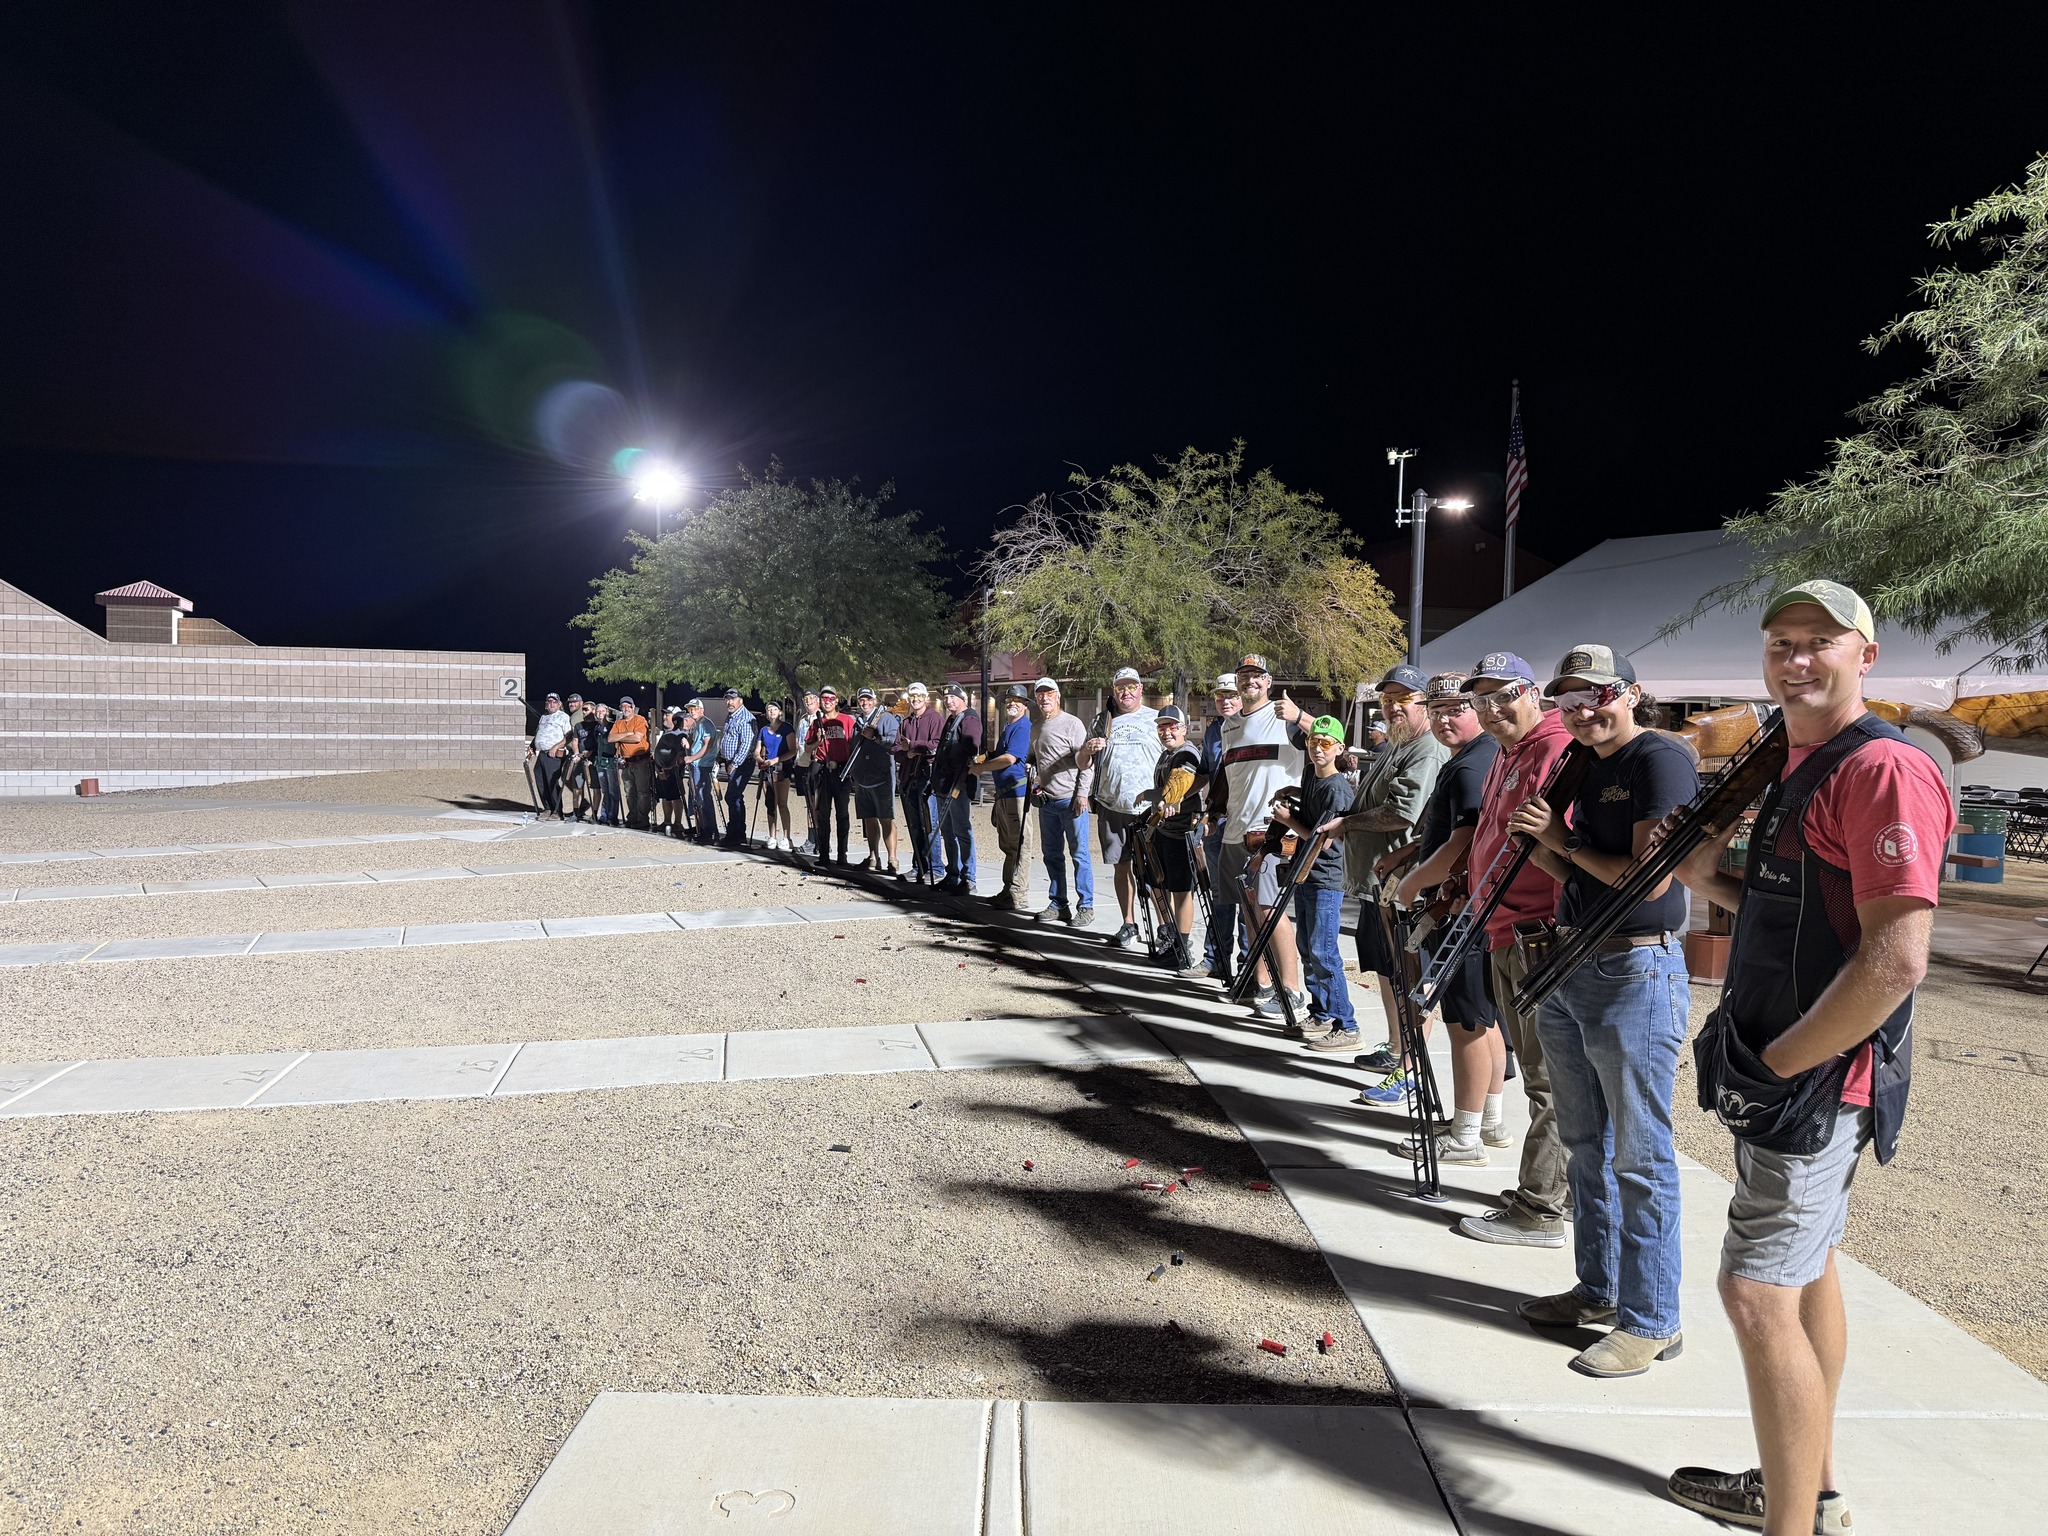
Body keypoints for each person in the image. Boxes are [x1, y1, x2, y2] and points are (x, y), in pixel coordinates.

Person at [1663, 583, 1948, 1536]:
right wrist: (1711, 877)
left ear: (1865, 656)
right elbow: (1812, 920)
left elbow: (1895, 959)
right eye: (1781, 642)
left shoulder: (1882, 770)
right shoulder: (1801, 762)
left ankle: (1793, 1526)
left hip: (1817, 1079)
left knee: (1755, 1293)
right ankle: (1807, 1491)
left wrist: (1780, 1063)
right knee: (1810, 1267)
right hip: (1783, 1066)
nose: (1796, 659)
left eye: (1821, 642)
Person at [1506, 644, 1700, 1379]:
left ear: (1631, 692)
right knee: (1586, 1142)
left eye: (1596, 693)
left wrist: (1560, 839)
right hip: (1571, 959)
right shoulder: (1584, 767)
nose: (1582, 709)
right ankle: (1599, 1291)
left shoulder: (1661, 759)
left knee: (1639, 1154)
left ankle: (1652, 1320)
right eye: (1569, 699)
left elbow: (1648, 883)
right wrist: (1544, 845)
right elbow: (1577, 864)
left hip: (1634, 966)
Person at [1455, 651, 1573, 1248]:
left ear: (1533, 693)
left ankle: (1540, 1208)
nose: (1493, 709)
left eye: (1505, 695)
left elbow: (1557, 844)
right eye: (1482, 700)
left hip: (1536, 933)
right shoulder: (1512, 751)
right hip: (1504, 927)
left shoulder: (1552, 749)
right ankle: (1563, 1190)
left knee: (1549, 1079)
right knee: (1544, 1074)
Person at [1392, 673, 1508, 1163]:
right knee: (1485, 1018)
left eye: (1457, 708)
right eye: (1436, 710)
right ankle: (1492, 1119)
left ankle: (1466, 1133)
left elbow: (1460, 845)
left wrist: (1411, 884)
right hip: (1475, 906)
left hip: (1462, 907)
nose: (1444, 719)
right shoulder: (1480, 758)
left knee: (1466, 1023)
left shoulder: (1470, 765)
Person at [1319, 664, 1448, 1066]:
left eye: (1403, 700)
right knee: (1386, 970)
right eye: (1387, 700)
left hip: (1400, 882)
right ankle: (1396, 1048)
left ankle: (1411, 1061)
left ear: (1424, 703)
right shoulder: (1398, 741)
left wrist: (1347, 822)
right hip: (1374, 882)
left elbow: (1403, 813)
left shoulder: (1426, 749)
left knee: (1408, 974)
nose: (1393, 708)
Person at [1217, 653, 1306, 1018]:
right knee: (1250, 911)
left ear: (1268, 680)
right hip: (1236, 830)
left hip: (1271, 830)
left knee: (1271, 910)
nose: (1250, 681)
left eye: (1257, 675)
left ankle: (1293, 989)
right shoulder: (1227, 725)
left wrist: (1301, 716)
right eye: (1244, 675)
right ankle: (1262, 983)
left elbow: (1333, 739)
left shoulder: (1284, 716)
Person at [1271, 716, 1358, 1045]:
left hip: (1326, 877)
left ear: (1338, 748)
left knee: (1323, 950)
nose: (1317, 749)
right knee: (1308, 947)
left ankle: (1346, 1024)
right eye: (1313, 742)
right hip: (1306, 873)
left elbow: (1325, 841)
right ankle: (1321, 1015)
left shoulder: (1338, 790)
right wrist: (1293, 792)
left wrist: (1288, 820)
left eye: (1325, 744)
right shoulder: (1310, 775)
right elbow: (1310, 801)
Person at [1078, 666, 1161, 950]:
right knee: (1121, 867)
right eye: (1121, 688)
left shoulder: (1156, 719)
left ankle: (1166, 929)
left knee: (1155, 872)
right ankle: (1129, 923)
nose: (1126, 692)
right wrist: (1088, 750)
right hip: (1112, 805)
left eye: (1131, 687)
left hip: (1149, 809)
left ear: (1140, 689)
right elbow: (1081, 762)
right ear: (1114, 691)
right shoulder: (1102, 721)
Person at [1137, 705, 1208, 975]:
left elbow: (1183, 781)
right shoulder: (1167, 755)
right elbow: (1167, 790)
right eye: (1162, 727)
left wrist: (1165, 798)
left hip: (1181, 832)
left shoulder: (1186, 753)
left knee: (1181, 890)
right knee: (1157, 882)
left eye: (1172, 726)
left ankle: (1182, 946)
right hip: (1163, 831)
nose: (1167, 731)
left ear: (1184, 728)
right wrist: (1150, 796)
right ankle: (1170, 937)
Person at [1028, 677, 1095, 926]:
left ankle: (1086, 906)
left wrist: (1082, 794)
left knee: (1080, 855)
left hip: (1071, 801)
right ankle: (1059, 904)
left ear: (1058, 696)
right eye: (1040, 694)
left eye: (1049, 693)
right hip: (1047, 801)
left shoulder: (1072, 724)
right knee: (1052, 855)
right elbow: (1034, 756)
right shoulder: (1036, 727)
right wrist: (1031, 769)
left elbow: (1087, 762)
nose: (1044, 698)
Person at [1200, 674, 1245, 981]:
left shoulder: (1255, 726)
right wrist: (1174, 796)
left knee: (1246, 897)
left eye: (1231, 694)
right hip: (1217, 821)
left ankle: (1250, 967)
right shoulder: (1213, 730)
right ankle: (1215, 958)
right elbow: (1205, 772)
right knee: (1220, 894)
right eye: (1220, 695)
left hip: (1246, 823)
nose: (1225, 700)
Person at [974, 684, 1034, 910]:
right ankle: (1008, 889)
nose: (1011, 703)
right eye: (1009, 700)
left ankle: (1018, 894)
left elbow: (1010, 759)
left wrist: (984, 767)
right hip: (1005, 794)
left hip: (1016, 794)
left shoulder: (1022, 728)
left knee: (1020, 845)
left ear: (1025, 705)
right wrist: (988, 757)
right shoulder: (1009, 727)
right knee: (1009, 846)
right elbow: (1001, 754)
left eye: (1016, 700)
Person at [933, 683, 983, 892]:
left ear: (962, 698)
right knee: (947, 831)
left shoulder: (969, 718)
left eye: (953, 697)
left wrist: (952, 768)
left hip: (957, 784)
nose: (949, 701)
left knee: (961, 830)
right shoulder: (952, 719)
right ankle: (952, 873)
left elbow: (970, 748)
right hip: (944, 783)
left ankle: (968, 877)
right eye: (946, 698)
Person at [893, 682, 945, 883]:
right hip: (909, 777)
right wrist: (908, 752)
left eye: (918, 696)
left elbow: (937, 746)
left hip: (926, 778)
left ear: (925, 698)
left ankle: (936, 868)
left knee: (929, 824)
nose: (915, 699)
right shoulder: (906, 722)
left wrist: (914, 747)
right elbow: (896, 749)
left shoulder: (935, 719)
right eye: (912, 696)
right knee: (915, 824)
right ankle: (919, 866)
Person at [849, 686, 901, 871]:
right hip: (862, 779)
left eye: (868, 699)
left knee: (886, 818)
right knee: (869, 819)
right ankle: (873, 857)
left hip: (882, 778)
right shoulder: (856, 723)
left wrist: (876, 737)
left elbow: (895, 742)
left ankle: (892, 859)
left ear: (874, 701)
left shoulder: (886, 718)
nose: (865, 703)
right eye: (861, 700)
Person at [809, 687, 856, 865]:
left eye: (830, 698)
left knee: (842, 814)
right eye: (824, 699)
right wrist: (818, 740)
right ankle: (824, 854)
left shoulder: (847, 720)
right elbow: (808, 748)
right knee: (823, 815)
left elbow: (853, 745)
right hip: (823, 772)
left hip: (841, 771)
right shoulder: (816, 723)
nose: (827, 701)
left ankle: (842, 854)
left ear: (836, 701)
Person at [716, 688, 757, 848]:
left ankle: (734, 835)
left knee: (732, 797)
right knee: (736, 797)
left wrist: (735, 763)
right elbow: (726, 737)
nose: (729, 702)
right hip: (730, 761)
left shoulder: (747, 718)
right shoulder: (731, 716)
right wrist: (721, 756)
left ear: (740, 700)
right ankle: (739, 834)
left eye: (732, 699)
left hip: (742, 763)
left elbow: (747, 744)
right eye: (727, 699)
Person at [755, 699, 796, 850]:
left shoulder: (786, 728)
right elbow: (757, 750)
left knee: (782, 803)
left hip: (782, 767)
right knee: (770, 803)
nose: (771, 711)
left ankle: (786, 837)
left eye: (774, 709)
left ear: (780, 712)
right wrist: (760, 760)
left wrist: (775, 760)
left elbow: (792, 750)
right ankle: (772, 836)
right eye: (769, 709)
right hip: (768, 770)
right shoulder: (764, 730)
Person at [609, 696, 654, 830]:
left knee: (643, 792)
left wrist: (622, 736)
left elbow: (637, 738)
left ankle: (643, 819)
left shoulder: (640, 720)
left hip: (641, 762)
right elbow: (611, 738)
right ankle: (632, 817)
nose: (625, 709)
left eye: (628, 706)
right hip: (626, 763)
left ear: (633, 707)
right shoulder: (618, 723)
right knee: (629, 793)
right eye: (623, 706)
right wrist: (628, 733)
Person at [530, 692, 572, 819]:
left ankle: (557, 811)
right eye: (549, 702)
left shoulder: (563, 717)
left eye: (554, 702)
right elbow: (539, 733)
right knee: (541, 780)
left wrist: (556, 746)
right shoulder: (543, 717)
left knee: (552, 782)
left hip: (554, 754)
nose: (552, 704)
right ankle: (547, 808)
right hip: (542, 753)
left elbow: (568, 736)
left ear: (559, 704)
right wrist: (532, 746)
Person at [792, 688, 822, 854]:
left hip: (815, 765)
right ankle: (812, 838)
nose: (808, 701)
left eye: (811, 698)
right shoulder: (803, 719)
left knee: (816, 804)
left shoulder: (821, 718)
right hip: (802, 763)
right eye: (806, 698)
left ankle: (818, 839)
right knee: (808, 804)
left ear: (817, 700)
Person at [684, 698, 718, 843]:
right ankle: (702, 828)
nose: (692, 712)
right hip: (697, 765)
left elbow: (707, 746)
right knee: (697, 798)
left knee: (704, 798)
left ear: (701, 710)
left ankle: (710, 831)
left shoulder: (706, 724)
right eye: (690, 709)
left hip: (703, 765)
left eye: (695, 709)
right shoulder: (698, 725)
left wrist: (692, 758)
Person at [652, 705, 689, 836]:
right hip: (662, 771)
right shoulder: (667, 733)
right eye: (664, 714)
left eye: (668, 715)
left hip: (672, 772)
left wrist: (669, 769)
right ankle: (667, 821)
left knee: (675, 796)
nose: (664, 717)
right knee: (665, 797)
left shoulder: (680, 734)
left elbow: (681, 755)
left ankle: (677, 823)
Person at [588, 703, 621, 826]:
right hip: (600, 761)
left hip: (611, 761)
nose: (600, 713)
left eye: (602, 711)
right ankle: (604, 815)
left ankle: (613, 816)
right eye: (598, 711)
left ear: (606, 712)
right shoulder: (597, 728)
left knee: (613, 790)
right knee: (605, 790)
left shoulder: (613, 726)